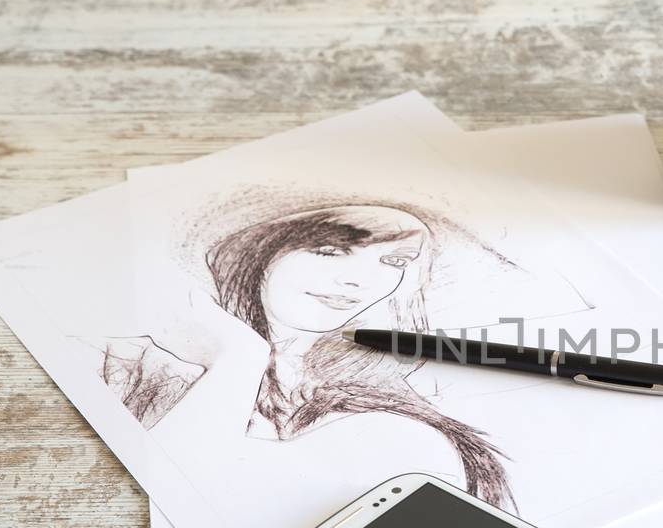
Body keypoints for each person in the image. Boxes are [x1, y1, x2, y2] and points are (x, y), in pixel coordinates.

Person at [98, 203, 513, 508]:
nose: (360, 281)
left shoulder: (390, 416)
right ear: (253, 252)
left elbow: (186, 498)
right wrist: (240, 357)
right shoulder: (132, 364)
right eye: (330, 251)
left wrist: (239, 358)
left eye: (394, 260)